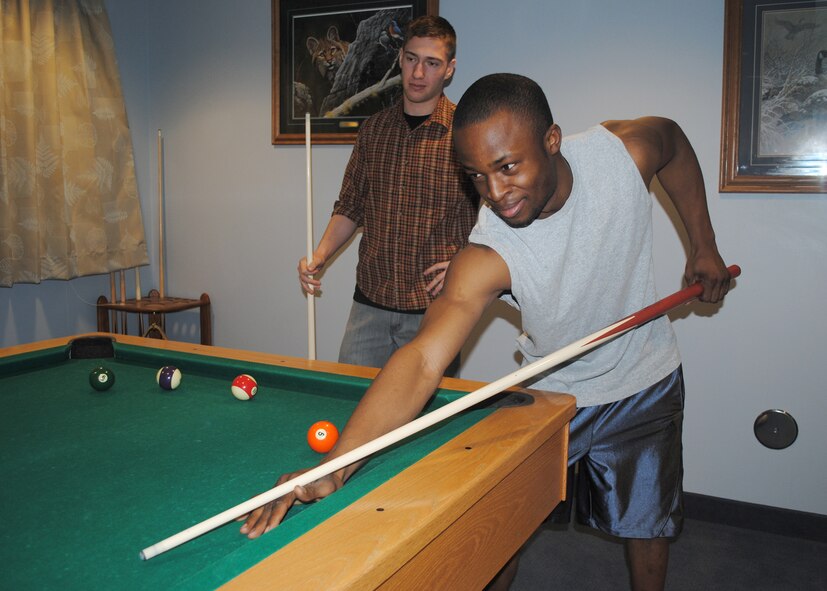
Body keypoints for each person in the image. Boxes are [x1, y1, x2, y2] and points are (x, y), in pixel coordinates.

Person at [249, 73, 733, 591]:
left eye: (507, 167)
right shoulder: (488, 252)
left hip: (645, 378)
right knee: (501, 522)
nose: (496, 193)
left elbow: (674, 142)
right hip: (555, 395)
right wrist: (336, 467)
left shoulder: (622, 155)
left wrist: (702, 245)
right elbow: (422, 360)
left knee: (646, 525)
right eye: (476, 175)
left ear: (552, 141)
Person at [298, 15, 478, 376]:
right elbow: (350, 207)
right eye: (411, 58)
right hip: (369, 306)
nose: (418, 72)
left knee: (427, 423)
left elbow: (502, 213)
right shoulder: (373, 130)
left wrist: (469, 263)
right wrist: (319, 255)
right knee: (351, 411)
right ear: (400, 58)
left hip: (434, 310)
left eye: (432, 63)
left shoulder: (468, 134)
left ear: (449, 69)